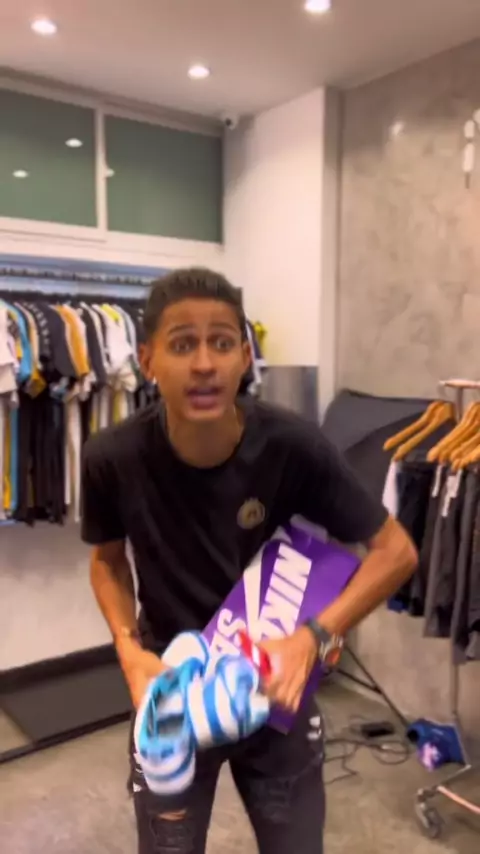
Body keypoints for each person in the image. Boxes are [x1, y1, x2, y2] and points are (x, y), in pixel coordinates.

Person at [81, 268, 417, 854]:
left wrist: (315, 636)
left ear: (244, 356)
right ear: (148, 359)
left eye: (222, 342)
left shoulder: (294, 446)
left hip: (274, 688)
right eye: (183, 344)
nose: (204, 363)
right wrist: (129, 650)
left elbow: (396, 552)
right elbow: (107, 562)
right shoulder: (112, 457)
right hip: (174, 692)